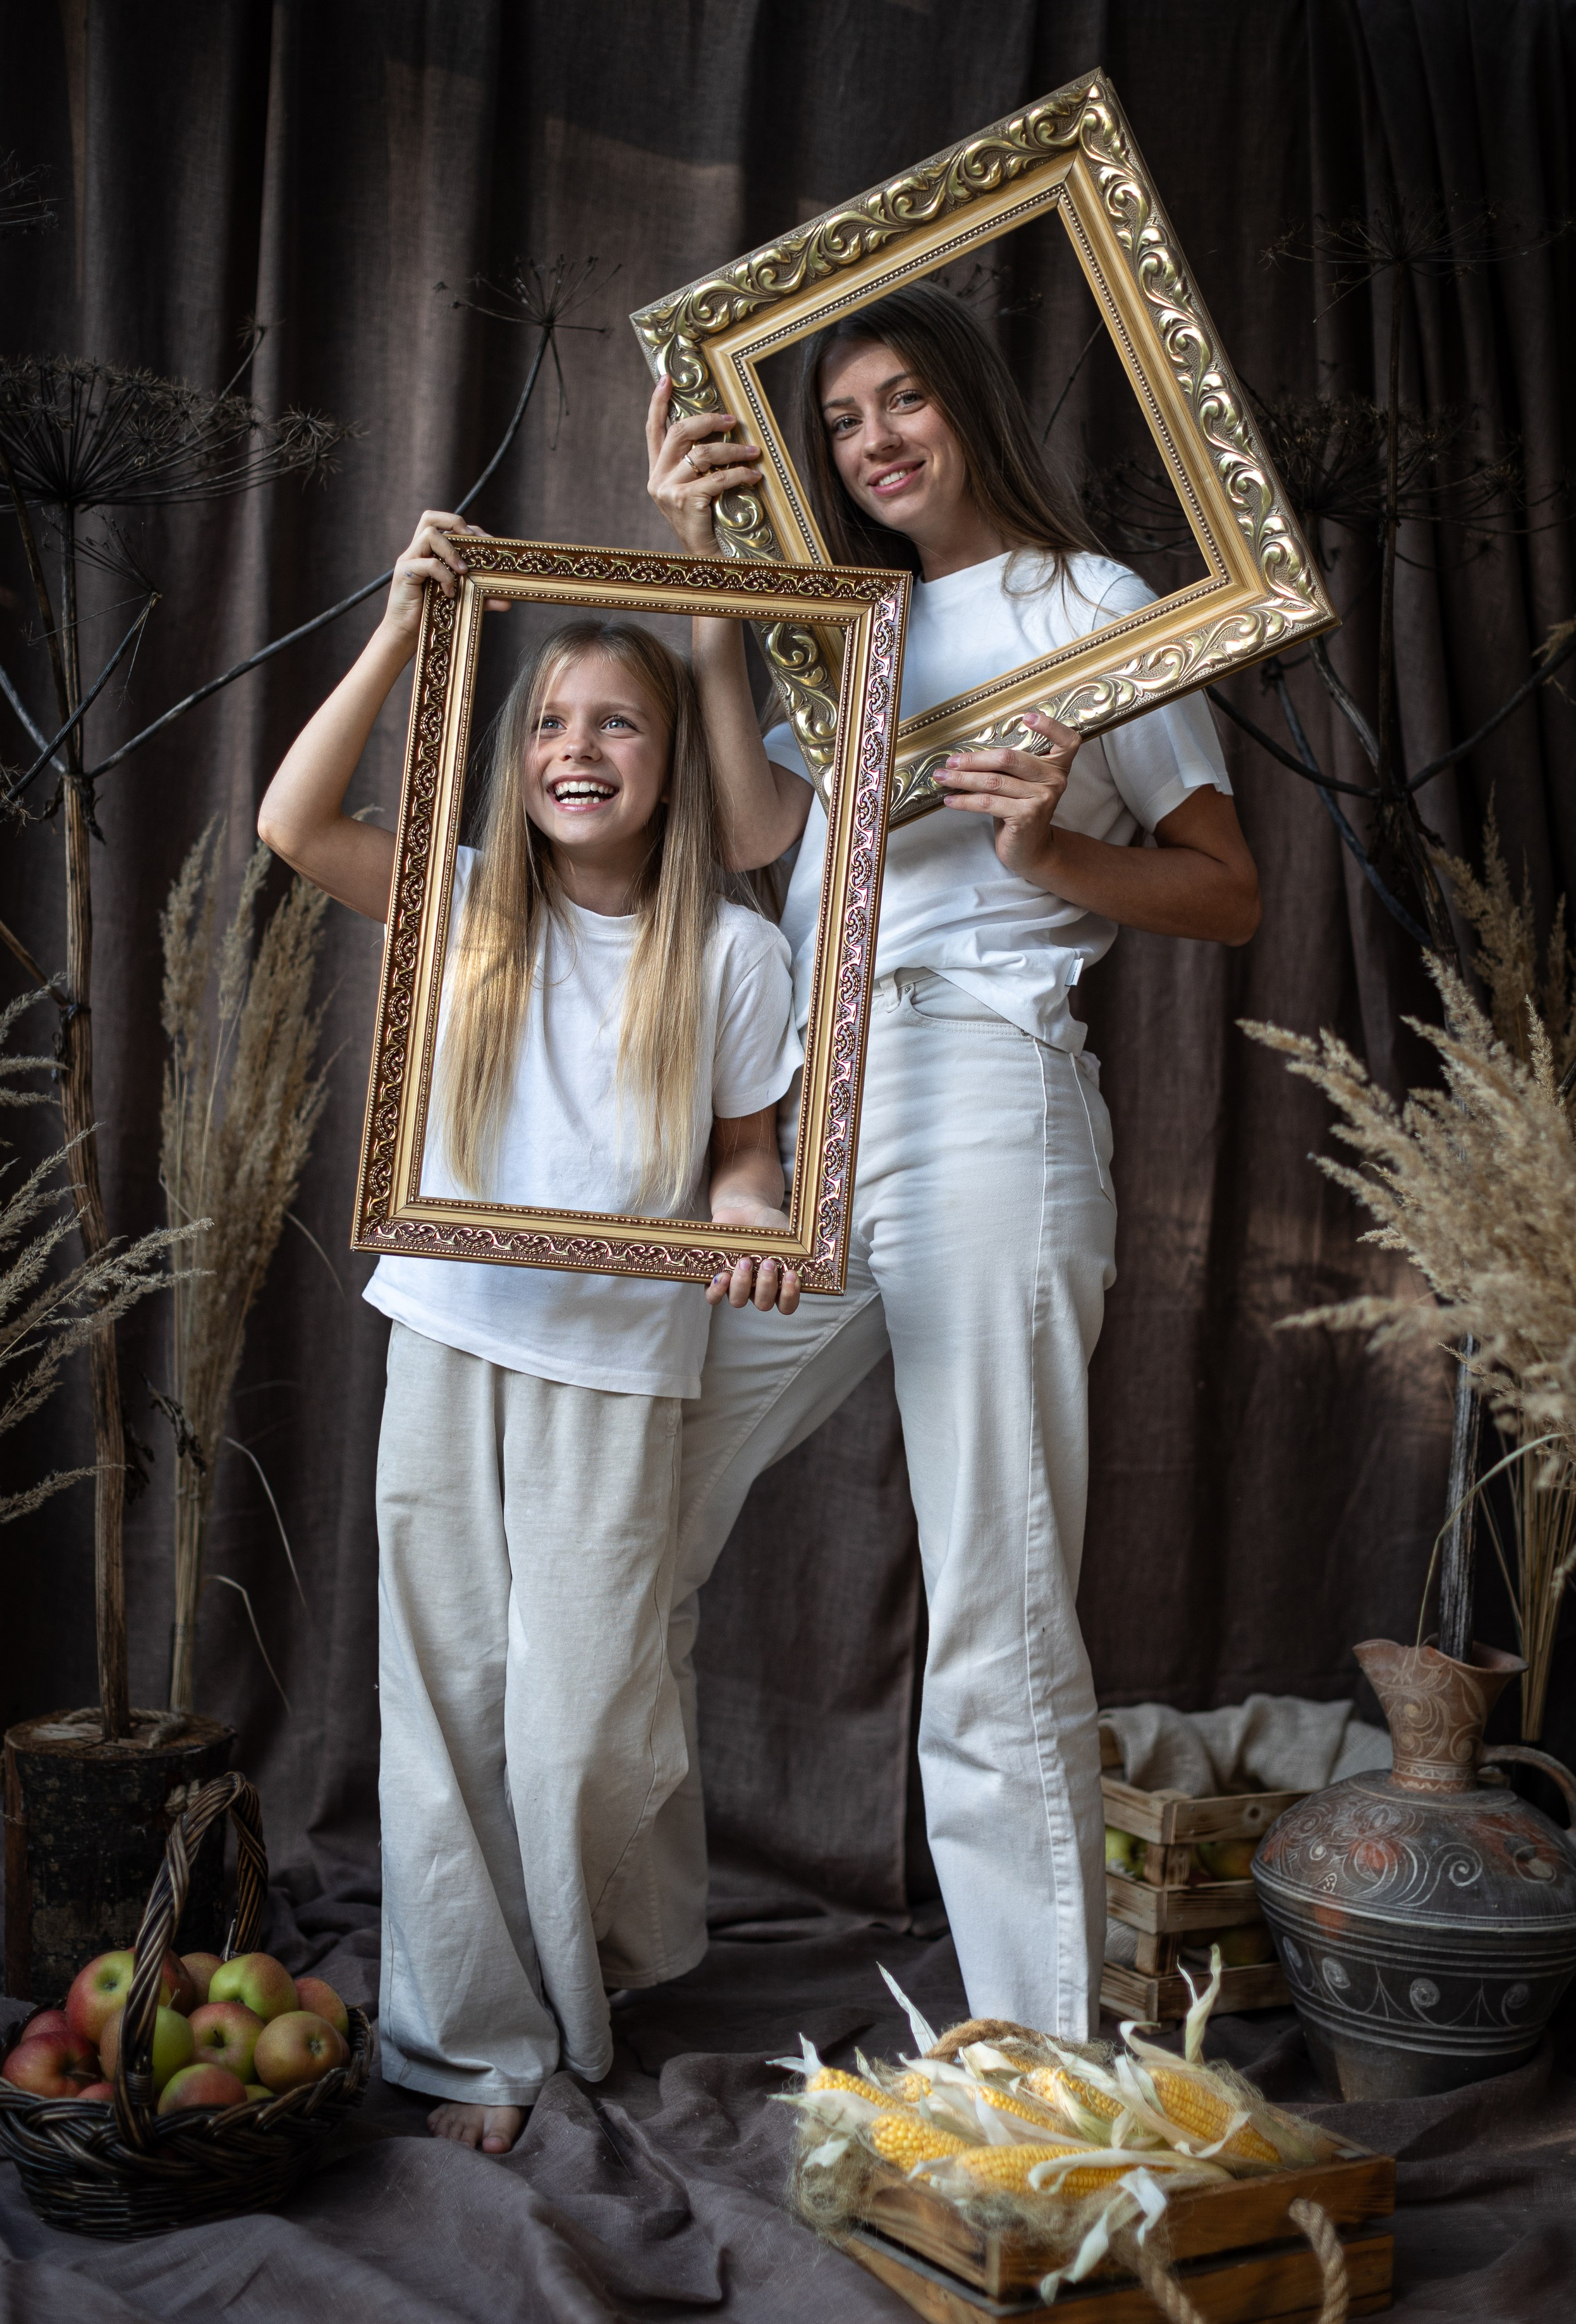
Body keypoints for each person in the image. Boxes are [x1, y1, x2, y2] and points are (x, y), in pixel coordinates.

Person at [640, 281, 1262, 2043]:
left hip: (991, 1087)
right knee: (636, 1496)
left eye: (902, 401)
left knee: (994, 1595)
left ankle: (1050, 2065)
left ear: (972, 406)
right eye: (841, 422)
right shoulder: (856, 618)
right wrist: (712, 595)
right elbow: (772, 838)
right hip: (828, 1099)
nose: (872, 443)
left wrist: (1058, 850)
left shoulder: (1089, 607)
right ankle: (604, 1947)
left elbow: (1228, 885)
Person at [257, 517, 802, 2151]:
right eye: (553, 720)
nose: (581, 749)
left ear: (670, 760)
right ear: (517, 753)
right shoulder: (468, 900)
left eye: (618, 721)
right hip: (449, 1331)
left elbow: (744, 1163)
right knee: (447, 1696)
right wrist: (407, 627)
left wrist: (756, 1225)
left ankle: (607, 1956)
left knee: (580, 1720)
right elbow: (294, 823)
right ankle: (481, 2043)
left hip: (622, 1369)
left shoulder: (737, 952)